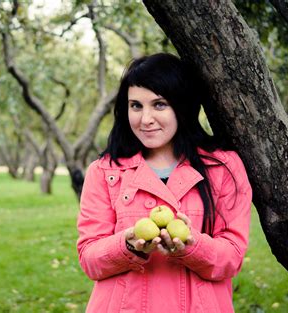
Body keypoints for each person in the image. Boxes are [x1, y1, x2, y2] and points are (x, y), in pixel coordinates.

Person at [76, 53, 252, 313]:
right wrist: (125, 244)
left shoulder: (223, 167)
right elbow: (89, 259)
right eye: (136, 105)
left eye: (159, 104)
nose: (145, 119)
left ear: (182, 106)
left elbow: (232, 258)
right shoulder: (105, 172)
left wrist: (193, 245)